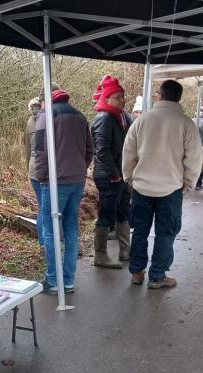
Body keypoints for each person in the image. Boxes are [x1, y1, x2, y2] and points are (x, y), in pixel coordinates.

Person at [122, 80, 202, 289]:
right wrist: (188, 183)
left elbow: (128, 152)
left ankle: (137, 272)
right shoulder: (186, 123)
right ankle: (157, 276)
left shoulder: (142, 120)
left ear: (159, 95)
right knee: (166, 232)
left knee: (140, 230)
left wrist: (129, 177)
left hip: (141, 188)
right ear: (179, 97)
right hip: (171, 188)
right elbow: (193, 158)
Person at [33, 88, 93, 294]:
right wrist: (80, 170)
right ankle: (68, 280)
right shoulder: (80, 116)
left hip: (54, 182)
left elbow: (40, 151)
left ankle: (52, 279)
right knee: (71, 230)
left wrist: (41, 177)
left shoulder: (47, 115)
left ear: (45, 100)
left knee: (50, 230)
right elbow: (89, 151)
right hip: (77, 181)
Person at [91, 75, 133, 269]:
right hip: (109, 175)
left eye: (123, 96)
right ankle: (100, 255)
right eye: (118, 97)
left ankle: (126, 250)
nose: (123, 100)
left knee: (123, 210)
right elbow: (101, 151)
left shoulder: (122, 116)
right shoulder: (104, 118)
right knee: (107, 214)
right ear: (106, 99)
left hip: (121, 173)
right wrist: (115, 174)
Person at [25, 97, 43, 248]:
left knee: (42, 207)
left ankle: (42, 243)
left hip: (33, 169)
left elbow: (26, 150)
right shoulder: (47, 120)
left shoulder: (29, 121)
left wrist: (28, 169)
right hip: (45, 169)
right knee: (51, 207)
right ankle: (52, 241)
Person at [194, 106, 203, 190]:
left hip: (191, 146)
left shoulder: (191, 120)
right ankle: (198, 183)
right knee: (200, 165)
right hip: (201, 146)